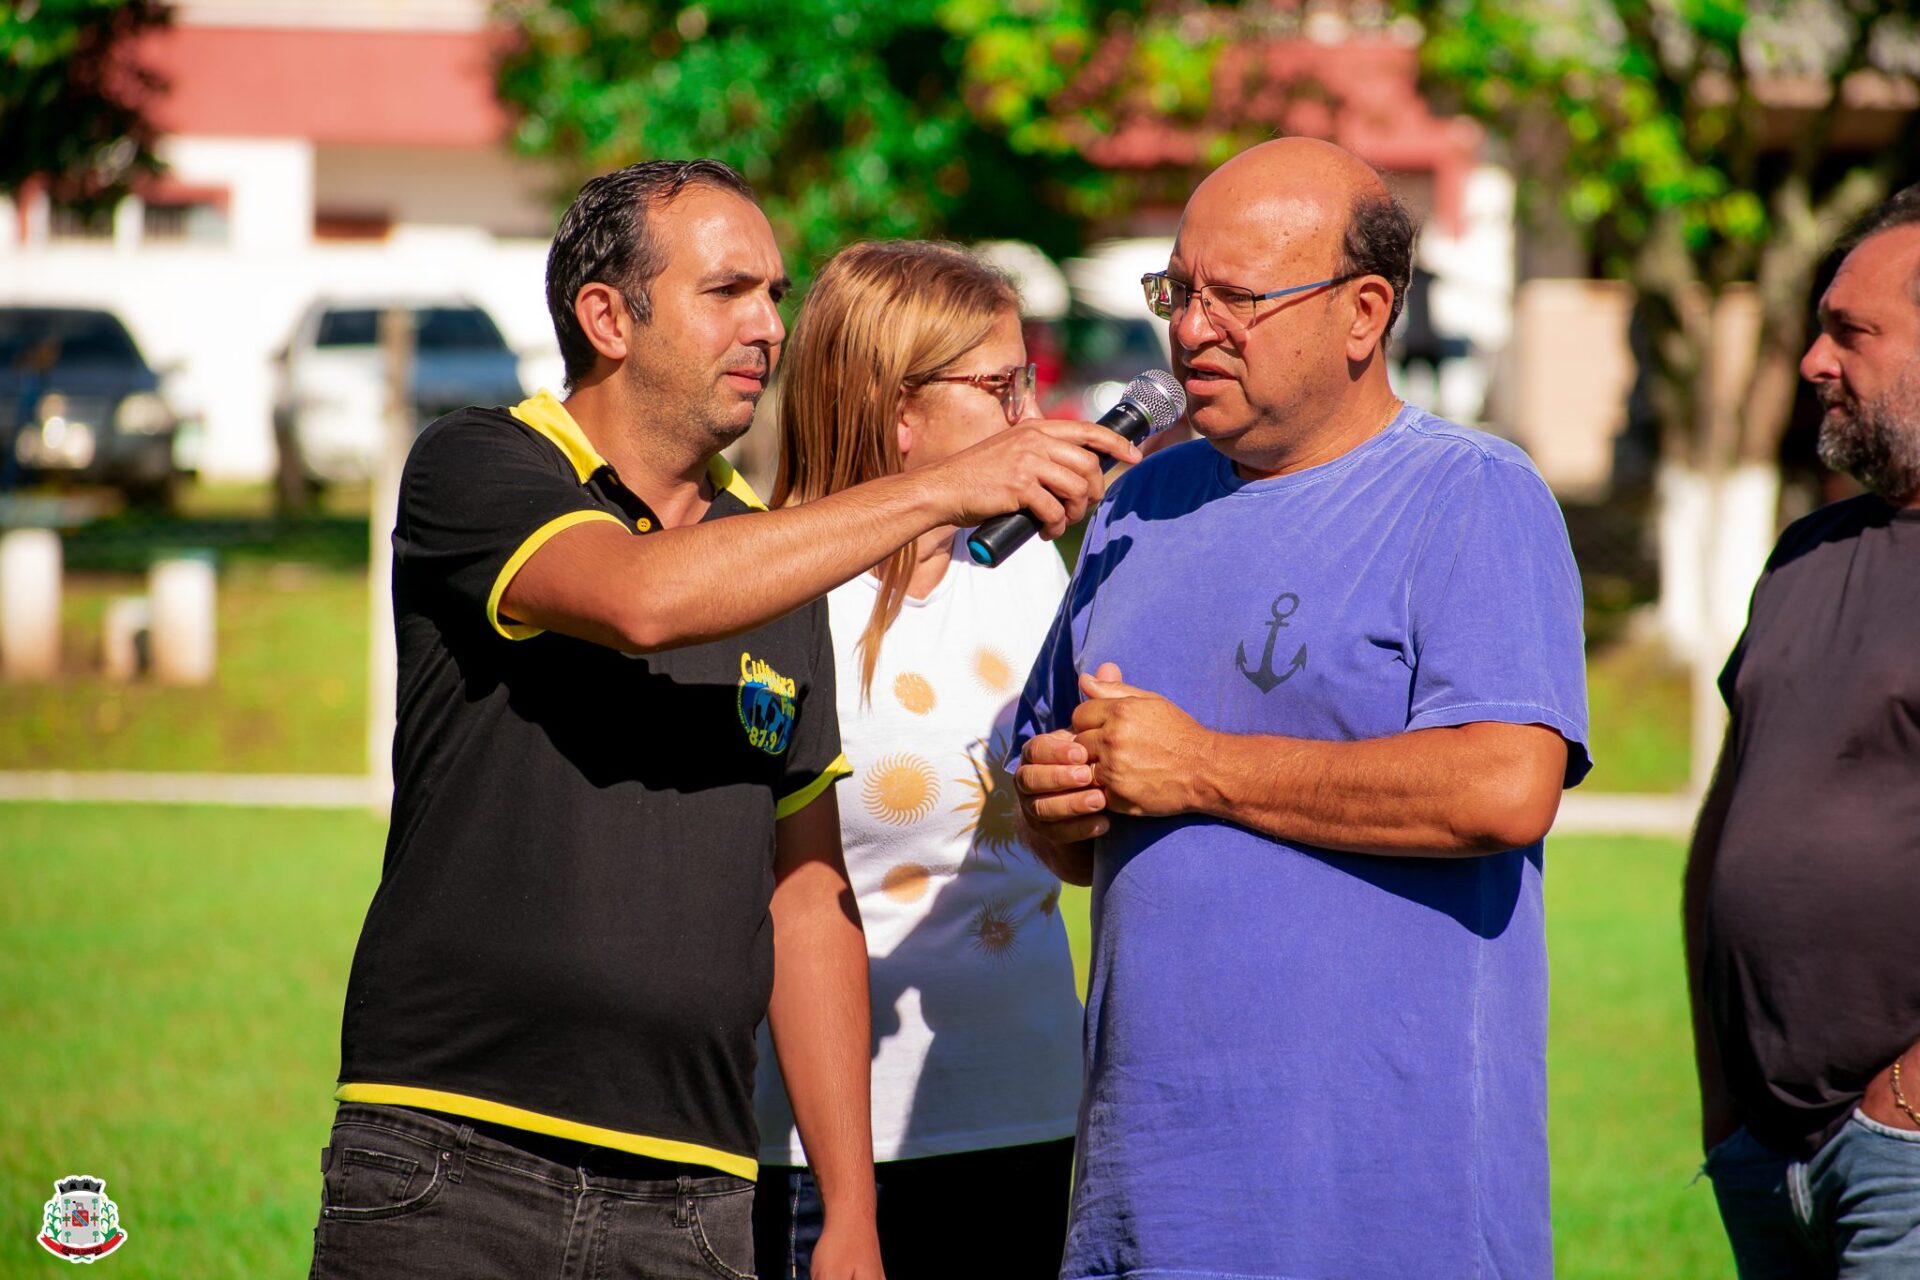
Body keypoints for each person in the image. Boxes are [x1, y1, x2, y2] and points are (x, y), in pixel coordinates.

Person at [312, 160, 1137, 1280]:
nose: (770, 326)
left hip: (693, 1185)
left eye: (775, 294)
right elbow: (640, 597)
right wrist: (951, 485)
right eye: (728, 292)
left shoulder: (772, 568)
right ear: (606, 315)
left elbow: (807, 899)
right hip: (455, 1148)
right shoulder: (480, 462)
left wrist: (849, 1207)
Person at [1011, 137, 1591, 1279]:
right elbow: (1065, 827)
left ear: (1364, 311)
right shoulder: (1135, 509)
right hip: (1151, 1206)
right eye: (1178, 291)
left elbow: (1503, 787)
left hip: (1381, 1213)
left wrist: (1201, 767)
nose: (1189, 328)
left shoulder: (1471, 495)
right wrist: (1058, 800)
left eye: (1237, 296)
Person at [750, 242, 1085, 1279]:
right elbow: (775, 897)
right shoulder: (768, 588)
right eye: (998, 386)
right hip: (827, 1155)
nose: (1029, 414)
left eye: (1026, 378)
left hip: (1035, 1114)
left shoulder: (1028, 575)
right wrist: (849, 1205)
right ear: (898, 411)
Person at [1686, 185, 1920, 1278]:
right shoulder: (1804, 552)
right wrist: (1720, 1092)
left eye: (1851, 331)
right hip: (1762, 1145)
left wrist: (1907, 1100)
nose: (1815, 361)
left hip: (1901, 1154)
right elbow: (1729, 813)